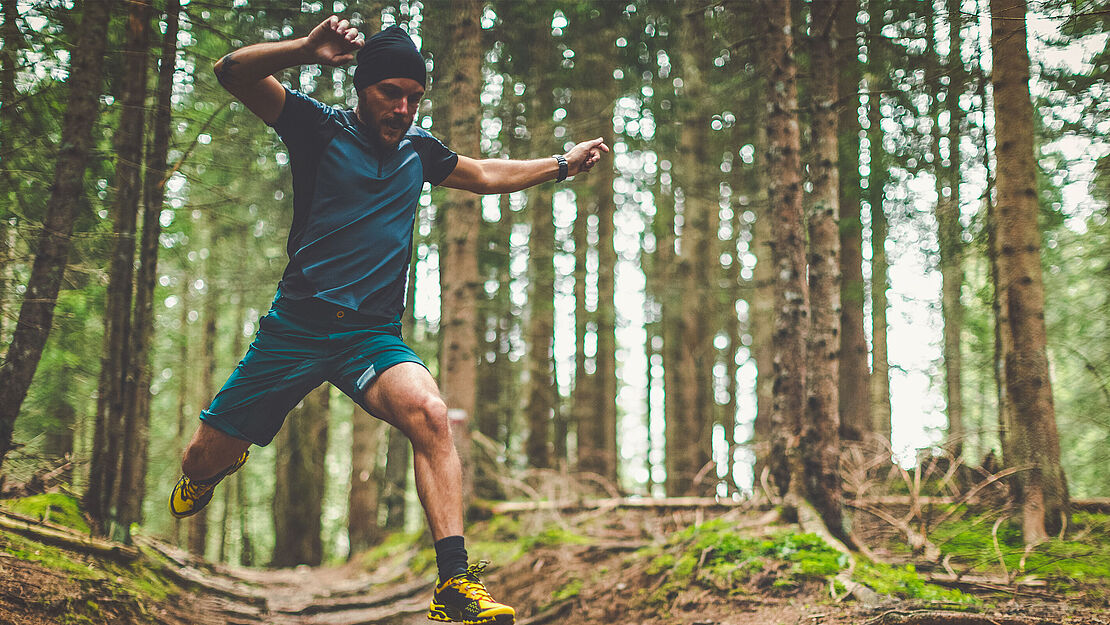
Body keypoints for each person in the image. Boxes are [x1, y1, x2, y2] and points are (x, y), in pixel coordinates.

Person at [167, 15, 607, 625]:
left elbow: (481, 175)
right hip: (295, 329)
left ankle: (454, 583)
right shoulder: (317, 129)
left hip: (369, 335)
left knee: (429, 414)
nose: (402, 108)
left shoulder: (419, 152)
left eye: (414, 97)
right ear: (361, 88)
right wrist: (303, 50)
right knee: (199, 460)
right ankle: (219, 464)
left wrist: (561, 163)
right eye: (390, 93)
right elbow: (232, 71)